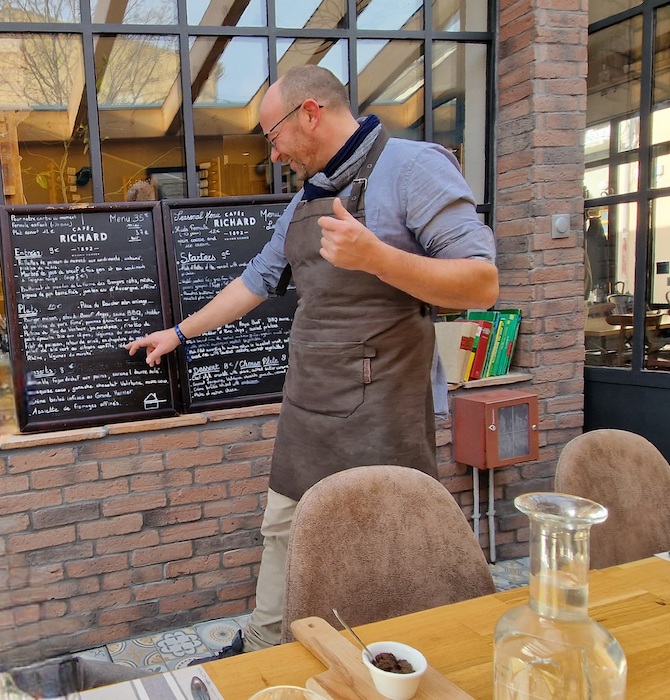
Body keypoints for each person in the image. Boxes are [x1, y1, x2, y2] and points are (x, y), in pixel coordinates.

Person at [126, 65, 498, 656]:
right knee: (283, 532)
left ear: (310, 113)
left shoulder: (413, 167)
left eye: (273, 136)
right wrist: (179, 333)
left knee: (381, 540)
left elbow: (480, 284)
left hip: (383, 410)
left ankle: (387, 658)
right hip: (308, 403)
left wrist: (375, 256)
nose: (272, 154)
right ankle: (262, 650)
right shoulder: (307, 196)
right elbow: (256, 281)